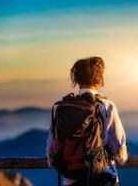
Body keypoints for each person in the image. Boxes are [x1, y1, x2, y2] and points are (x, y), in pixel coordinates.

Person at [46, 56, 128, 186]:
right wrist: (122, 159)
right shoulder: (107, 106)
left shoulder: (63, 107)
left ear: (77, 80)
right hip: (103, 177)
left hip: (71, 180)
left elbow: (52, 145)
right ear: (99, 79)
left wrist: (53, 161)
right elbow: (119, 145)